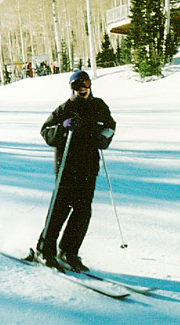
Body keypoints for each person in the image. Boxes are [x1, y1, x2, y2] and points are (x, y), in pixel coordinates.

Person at [31, 70, 116, 272]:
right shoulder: (66, 108)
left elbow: (110, 126)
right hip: (67, 167)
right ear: (72, 89)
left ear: (90, 85)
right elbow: (45, 131)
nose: (82, 89)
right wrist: (62, 127)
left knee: (82, 211)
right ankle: (45, 250)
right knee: (59, 209)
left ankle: (68, 252)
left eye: (85, 84)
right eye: (77, 86)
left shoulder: (99, 106)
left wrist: (103, 138)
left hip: (88, 166)